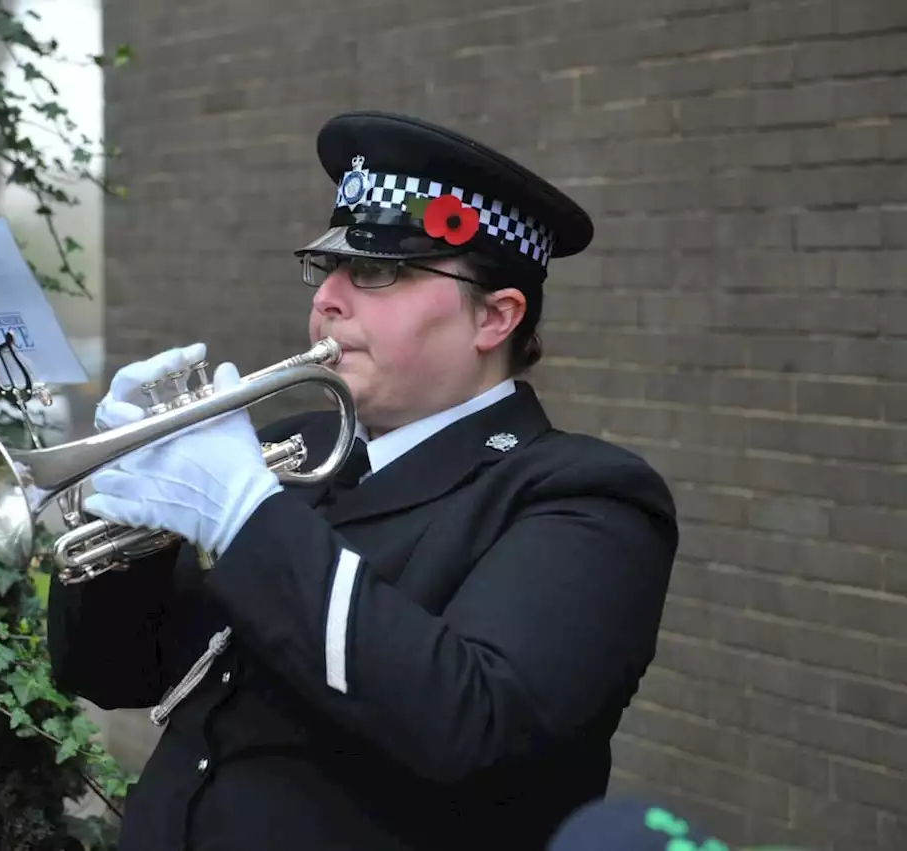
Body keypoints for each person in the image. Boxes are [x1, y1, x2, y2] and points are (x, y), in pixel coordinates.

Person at [47, 110, 679, 851]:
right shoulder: (297, 445)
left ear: (496, 316)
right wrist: (123, 515)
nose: (328, 298)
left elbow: (475, 728)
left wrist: (247, 518)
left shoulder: (587, 497)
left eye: (379, 270)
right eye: (328, 266)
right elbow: (114, 672)